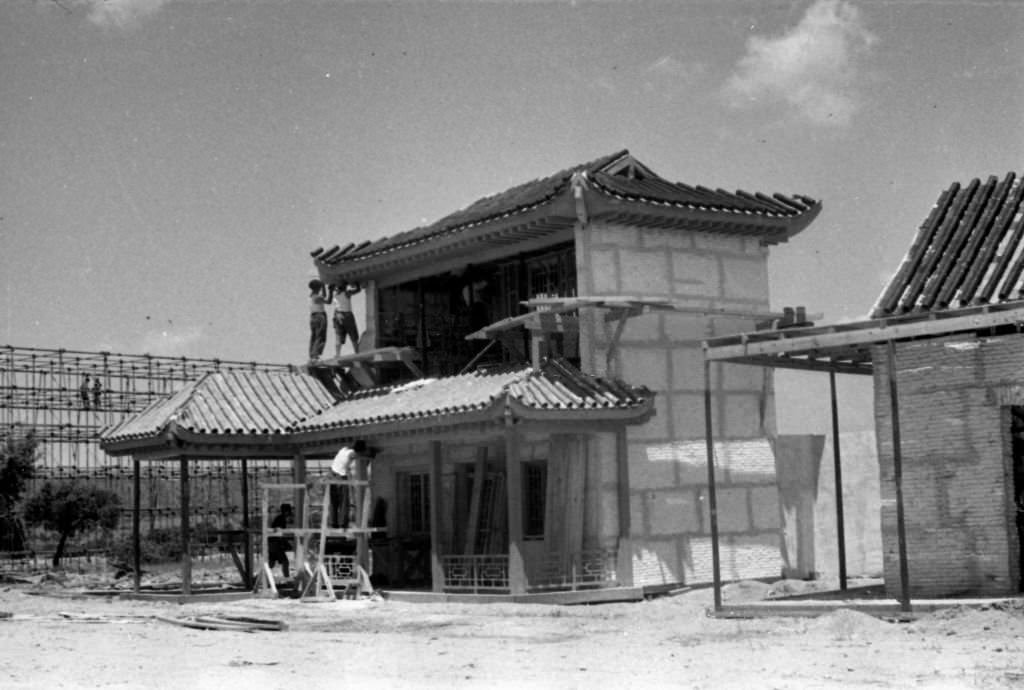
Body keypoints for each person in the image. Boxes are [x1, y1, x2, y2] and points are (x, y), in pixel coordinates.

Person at [331, 279, 362, 357]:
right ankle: (357, 352)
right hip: (347, 315)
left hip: (337, 315)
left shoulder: (335, 295)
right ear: (345, 287)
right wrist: (357, 283)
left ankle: (337, 354)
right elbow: (358, 290)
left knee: (338, 334)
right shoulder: (346, 293)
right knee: (353, 334)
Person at [268, 503, 293, 578]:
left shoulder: (280, 518)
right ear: (286, 511)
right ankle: (287, 579)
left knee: (271, 563)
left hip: (272, 543)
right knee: (285, 562)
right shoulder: (281, 519)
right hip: (275, 543)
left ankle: (263, 578)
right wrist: (285, 543)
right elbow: (279, 533)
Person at [308, 279, 328, 361]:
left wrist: (323, 286)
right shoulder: (317, 297)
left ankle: (312, 355)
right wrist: (329, 290)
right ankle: (316, 354)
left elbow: (323, 295)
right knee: (320, 336)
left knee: (314, 336)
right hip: (320, 316)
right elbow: (327, 300)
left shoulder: (311, 296)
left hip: (313, 316)